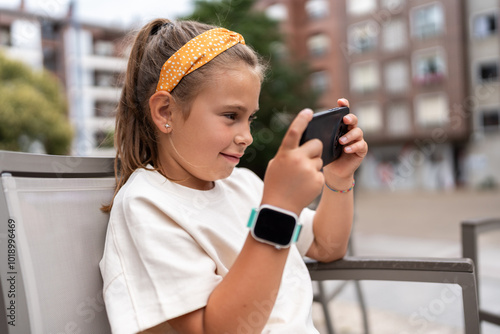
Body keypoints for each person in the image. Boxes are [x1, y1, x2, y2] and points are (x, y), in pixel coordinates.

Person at [99, 18, 368, 334]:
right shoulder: (146, 206)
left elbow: (326, 245)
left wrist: (337, 179)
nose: (247, 136)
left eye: (249, 118)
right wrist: (277, 211)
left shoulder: (243, 185)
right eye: (231, 116)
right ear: (165, 112)